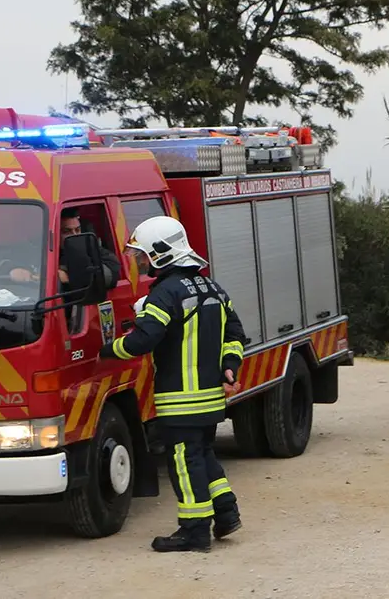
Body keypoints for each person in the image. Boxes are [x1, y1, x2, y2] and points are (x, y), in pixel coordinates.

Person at [99, 215, 248, 552]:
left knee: (184, 462)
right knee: (203, 454)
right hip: (210, 399)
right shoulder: (212, 288)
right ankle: (226, 513)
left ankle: (194, 532)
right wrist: (230, 365)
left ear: (160, 254)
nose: (139, 262)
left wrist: (107, 350)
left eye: (142, 256)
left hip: (181, 399)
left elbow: (143, 340)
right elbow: (235, 335)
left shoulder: (165, 294)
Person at [7, 207, 120, 288]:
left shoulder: (91, 249)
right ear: (52, 233)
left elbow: (111, 274)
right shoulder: (35, 250)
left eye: (77, 230)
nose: (75, 235)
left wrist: (71, 276)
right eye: (67, 231)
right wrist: (12, 270)